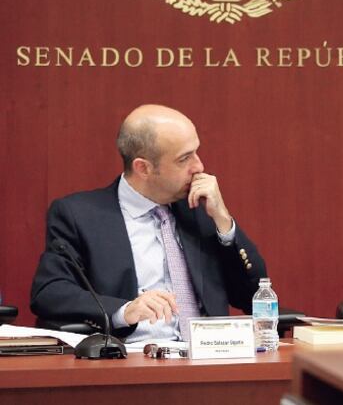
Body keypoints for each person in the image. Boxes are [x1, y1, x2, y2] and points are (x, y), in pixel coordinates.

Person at [30, 104, 266, 343]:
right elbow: (49, 292)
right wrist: (124, 311)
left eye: (196, 152)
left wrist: (223, 221)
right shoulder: (80, 215)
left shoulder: (200, 209)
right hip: (132, 359)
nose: (199, 167)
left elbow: (254, 295)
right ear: (143, 168)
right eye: (184, 159)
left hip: (211, 356)